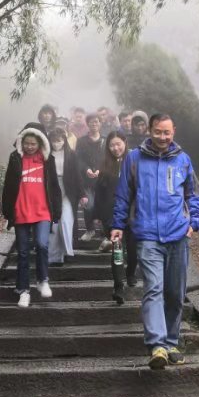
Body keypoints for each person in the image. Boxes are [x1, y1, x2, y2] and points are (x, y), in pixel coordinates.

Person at [111, 113, 199, 370]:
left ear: (174, 132)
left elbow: (194, 193)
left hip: (177, 235)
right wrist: (118, 224)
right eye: (158, 132)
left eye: (167, 132)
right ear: (149, 131)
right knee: (153, 288)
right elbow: (123, 194)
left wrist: (194, 222)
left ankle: (171, 342)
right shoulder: (134, 159)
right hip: (147, 235)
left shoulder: (183, 160)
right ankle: (157, 345)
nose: (162, 137)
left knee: (175, 292)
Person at [2, 122, 62, 308]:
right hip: (21, 210)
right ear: (21, 142)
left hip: (42, 210)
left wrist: (57, 211)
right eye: (26, 143)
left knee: (42, 244)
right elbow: (8, 186)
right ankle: (23, 290)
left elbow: (54, 187)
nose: (29, 146)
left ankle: (43, 280)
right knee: (22, 252)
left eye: (33, 144)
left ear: (40, 143)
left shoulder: (47, 160)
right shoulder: (15, 158)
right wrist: (8, 212)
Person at [94, 130, 138, 303]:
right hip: (112, 217)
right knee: (118, 250)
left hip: (133, 214)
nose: (115, 148)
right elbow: (99, 193)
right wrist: (99, 215)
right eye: (111, 145)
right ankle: (118, 286)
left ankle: (131, 272)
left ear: (125, 142)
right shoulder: (105, 166)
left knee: (133, 251)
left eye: (118, 144)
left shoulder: (134, 162)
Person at [48, 127, 87, 265]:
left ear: (64, 140)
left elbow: (77, 175)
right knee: (54, 224)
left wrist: (82, 193)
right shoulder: (46, 155)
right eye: (53, 140)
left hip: (68, 190)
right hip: (52, 191)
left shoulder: (71, 154)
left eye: (59, 140)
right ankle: (54, 257)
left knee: (66, 220)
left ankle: (68, 251)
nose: (56, 143)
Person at [75, 113, 105, 241]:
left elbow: (107, 159)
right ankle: (90, 230)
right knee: (89, 204)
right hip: (86, 180)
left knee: (103, 205)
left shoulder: (105, 141)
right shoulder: (81, 141)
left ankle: (105, 232)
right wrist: (86, 169)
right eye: (91, 121)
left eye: (96, 121)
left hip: (102, 180)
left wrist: (99, 169)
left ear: (100, 123)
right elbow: (78, 159)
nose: (94, 124)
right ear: (87, 124)